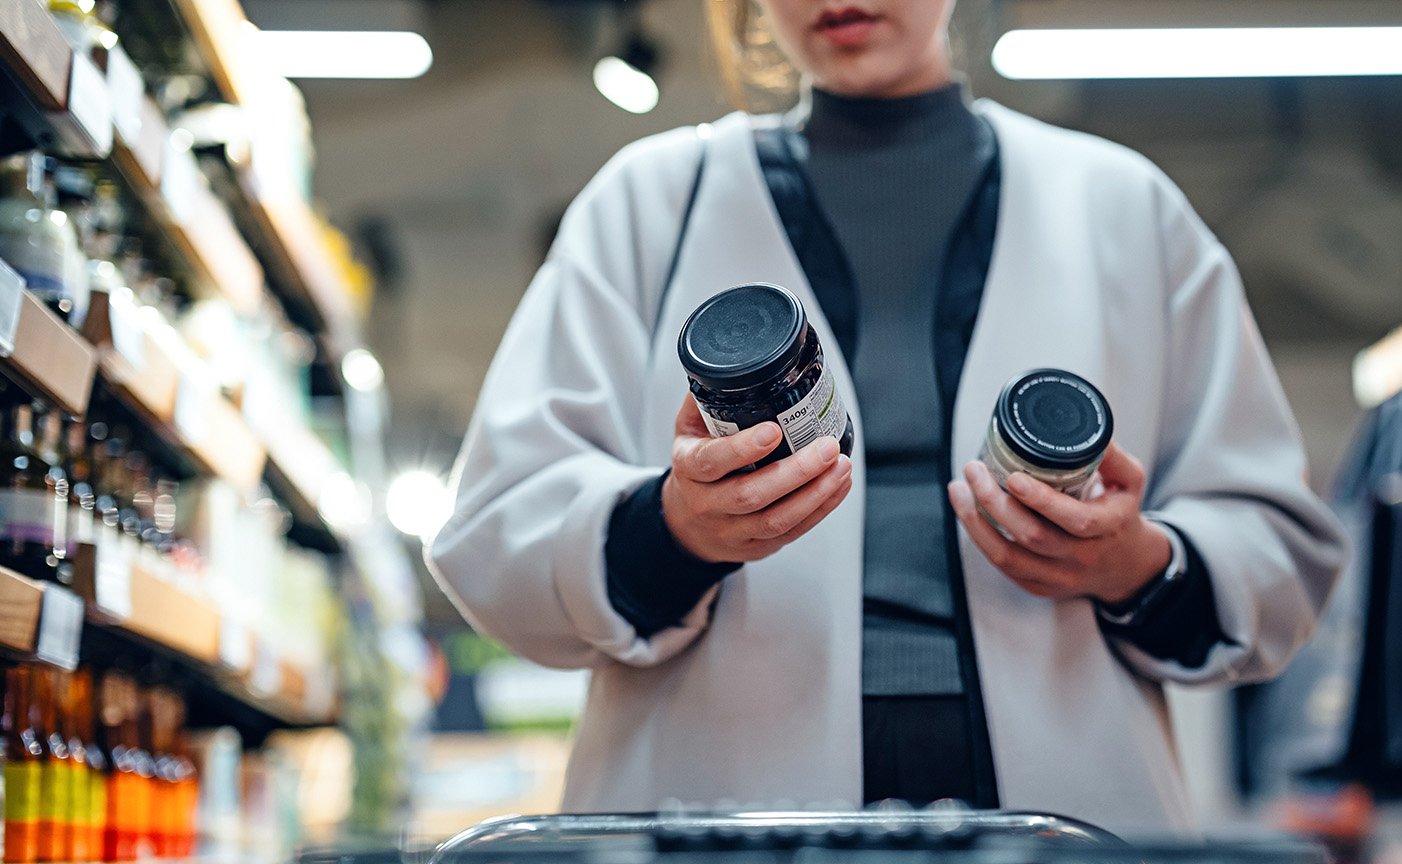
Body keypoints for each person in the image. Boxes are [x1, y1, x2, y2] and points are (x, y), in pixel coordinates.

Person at [428, 0, 1345, 835]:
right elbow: (496, 529)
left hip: (1068, 816)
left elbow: (1281, 552)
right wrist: (670, 530)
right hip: (715, 812)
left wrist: (1134, 562)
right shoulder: (645, 205)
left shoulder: (1127, 211)